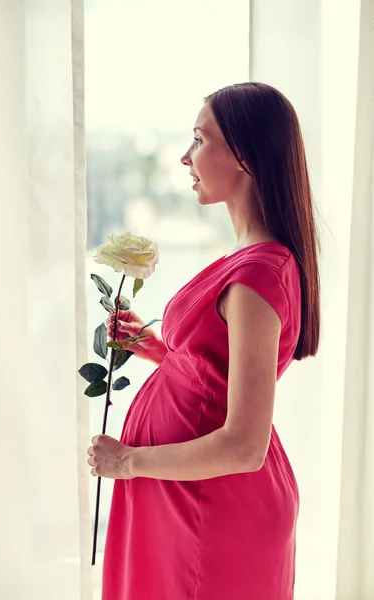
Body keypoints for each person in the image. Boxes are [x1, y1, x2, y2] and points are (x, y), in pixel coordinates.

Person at [87, 82, 320, 599]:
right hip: (186, 499)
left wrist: (128, 461)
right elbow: (216, 376)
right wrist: (157, 351)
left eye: (198, 139)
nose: (184, 156)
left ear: (244, 155)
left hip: (209, 509)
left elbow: (244, 445)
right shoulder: (250, 259)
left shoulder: (260, 273)